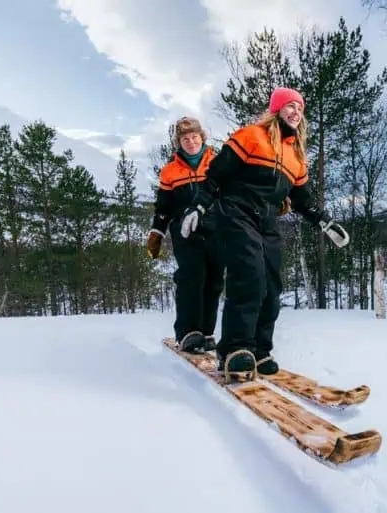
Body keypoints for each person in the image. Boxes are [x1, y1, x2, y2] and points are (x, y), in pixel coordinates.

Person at [178, 87, 350, 375]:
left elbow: (301, 197)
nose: (296, 112)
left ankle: (259, 349)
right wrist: (198, 206)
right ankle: (235, 349)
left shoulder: (295, 154)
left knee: (271, 286)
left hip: (267, 220)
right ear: (276, 109)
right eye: (290, 106)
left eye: (299, 108)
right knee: (249, 276)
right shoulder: (251, 136)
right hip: (236, 213)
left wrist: (325, 221)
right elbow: (217, 174)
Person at [147, 116, 224, 353]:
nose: (191, 142)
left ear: (202, 138)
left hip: (215, 228)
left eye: (194, 137)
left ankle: (207, 332)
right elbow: (164, 207)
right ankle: (189, 332)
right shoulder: (170, 171)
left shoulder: (218, 163)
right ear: (178, 143)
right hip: (184, 231)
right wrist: (157, 232)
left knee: (213, 281)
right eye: (185, 139)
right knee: (192, 276)